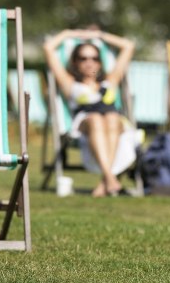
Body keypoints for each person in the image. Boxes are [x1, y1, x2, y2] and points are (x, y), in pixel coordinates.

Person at [43, 28, 135, 197]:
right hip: (86, 123)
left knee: (112, 117)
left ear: (99, 62)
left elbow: (128, 46)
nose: (89, 63)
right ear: (75, 62)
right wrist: (69, 33)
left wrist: (98, 35)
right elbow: (48, 48)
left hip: (113, 123)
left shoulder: (110, 79)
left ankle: (105, 182)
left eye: (94, 58)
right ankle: (110, 178)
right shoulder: (69, 82)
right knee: (96, 119)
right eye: (83, 58)